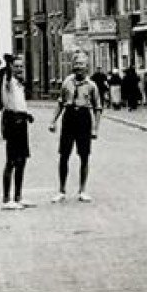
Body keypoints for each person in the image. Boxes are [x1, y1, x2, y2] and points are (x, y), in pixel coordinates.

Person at [49, 52, 101, 202]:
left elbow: (98, 108)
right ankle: (61, 190)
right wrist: (53, 121)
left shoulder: (92, 86)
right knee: (64, 155)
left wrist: (95, 128)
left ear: (87, 67)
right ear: (73, 66)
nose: (78, 67)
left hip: (84, 117)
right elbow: (60, 102)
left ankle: (82, 190)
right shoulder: (67, 82)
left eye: (82, 64)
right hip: (69, 117)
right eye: (76, 64)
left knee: (84, 156)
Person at [0, 55, 34, 209]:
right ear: (10, 67)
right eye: (16, 66)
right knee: (11, 160)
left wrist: (27, 114)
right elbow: (7, 76)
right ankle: (7, 199)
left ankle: (18, 197)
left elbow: (20, 103)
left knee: (22, 160)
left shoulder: (19, 84)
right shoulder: (8, 81)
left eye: (21, 66)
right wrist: (8, 63)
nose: (19, 69)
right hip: (12, 121)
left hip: (22, 121)